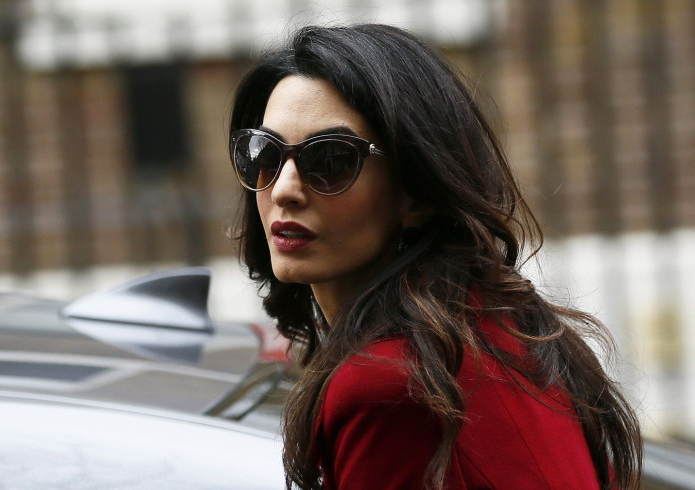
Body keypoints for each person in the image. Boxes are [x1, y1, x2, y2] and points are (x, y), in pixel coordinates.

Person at [227, 24, 641, 490]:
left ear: (417, 194)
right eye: (263, 153)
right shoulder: (500, 327)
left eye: (330, 161)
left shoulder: (391, 384)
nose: (283, 189)